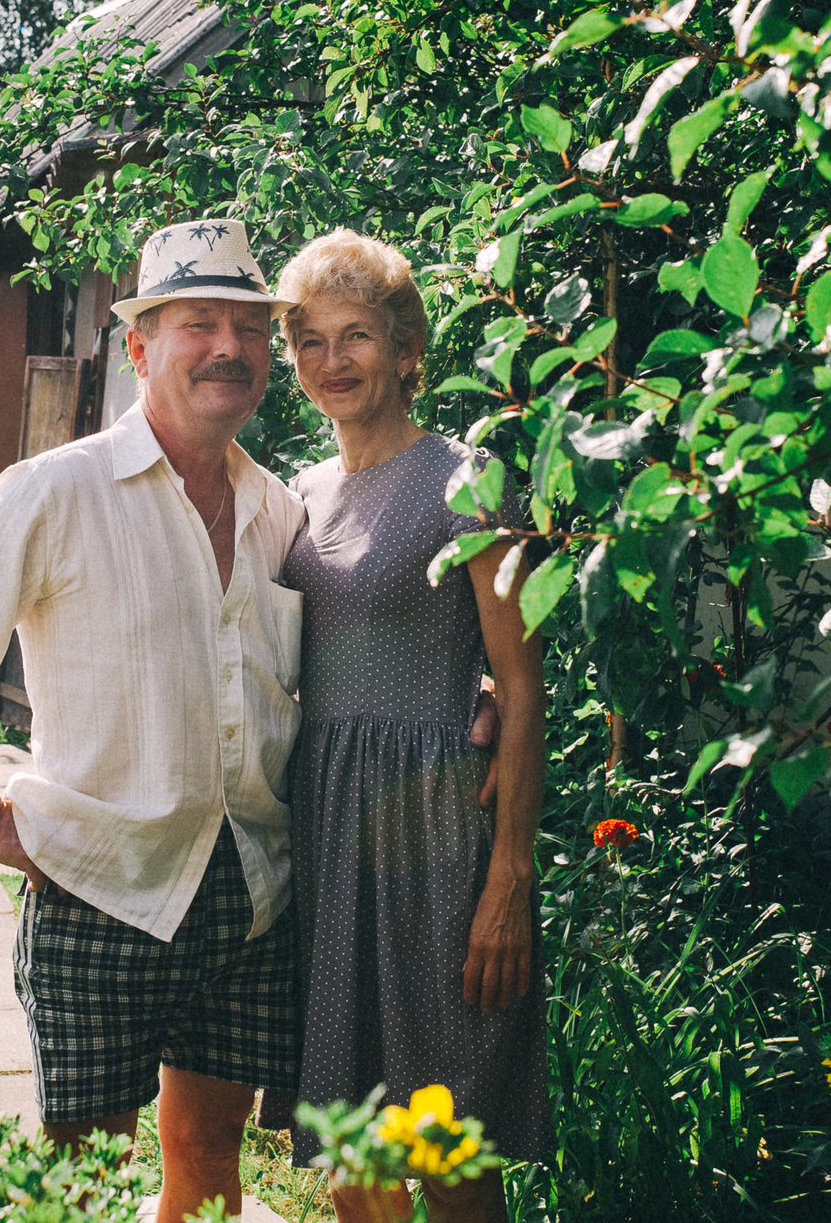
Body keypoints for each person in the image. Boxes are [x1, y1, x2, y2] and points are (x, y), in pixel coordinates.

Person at [0, 218, 305, 1223]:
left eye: (250, 328)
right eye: (198, 323)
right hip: (96, 888)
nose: (229, 347)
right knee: (83, 1182)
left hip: (250, 895)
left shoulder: (279, 510)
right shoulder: (52, 490)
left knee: (209, 1160)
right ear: (140, 348)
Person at [273, 228, 552, 1223]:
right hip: (327, 836)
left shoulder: (466, 479)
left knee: (445, 1142)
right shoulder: (298, 496)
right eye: (309, 340)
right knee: (354, 1145)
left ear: (404, 349)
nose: (332, 360)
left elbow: (521, 688)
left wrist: (509, 879)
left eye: (355, 335)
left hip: (436, 839)